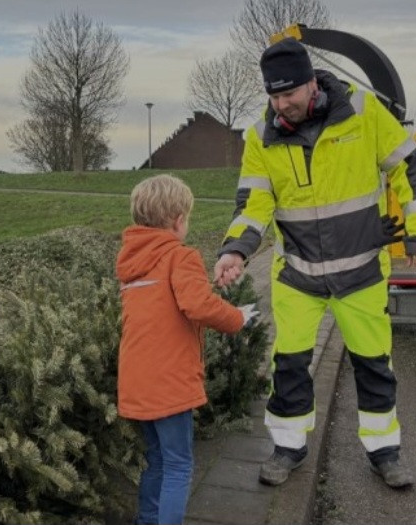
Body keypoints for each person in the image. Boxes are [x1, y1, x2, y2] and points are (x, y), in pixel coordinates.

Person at [213, 37, 416, 489]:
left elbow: (409, 167)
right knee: (290, 364)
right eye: (274, 96)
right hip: (297, 275)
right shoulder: (261, 135)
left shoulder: (363, 111)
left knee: (374, 364)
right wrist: (235, 250)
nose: (282, 105)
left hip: (361, 272)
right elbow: (254, 202)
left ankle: (384, 452)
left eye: (289, 94)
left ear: (311, 83)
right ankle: (288, 447)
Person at [117, 174, 259, 525]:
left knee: (156, 459)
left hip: (136, 380)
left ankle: (147, 520)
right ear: (179, 220)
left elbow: (169, 301)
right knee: (179, 464)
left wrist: (205, 286)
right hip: (169, 381)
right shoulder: (181, 255)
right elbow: (197, 306)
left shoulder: (132, 262)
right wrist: (237, 318)